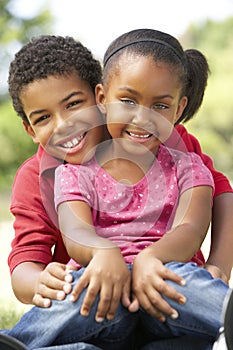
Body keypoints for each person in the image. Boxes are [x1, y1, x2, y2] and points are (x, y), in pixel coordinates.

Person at [5, 29, 232, 350]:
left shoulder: (169, 146)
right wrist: (45, 280)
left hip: (166, 284)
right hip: (100, 293)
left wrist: (218, 266)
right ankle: (17, 343)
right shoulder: (53, 174)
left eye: (74, 104)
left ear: (97, 99)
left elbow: (215, 197)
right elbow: (32, 259)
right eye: (43, 118)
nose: (65, 124)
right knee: (80, 295)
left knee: (191, 288)